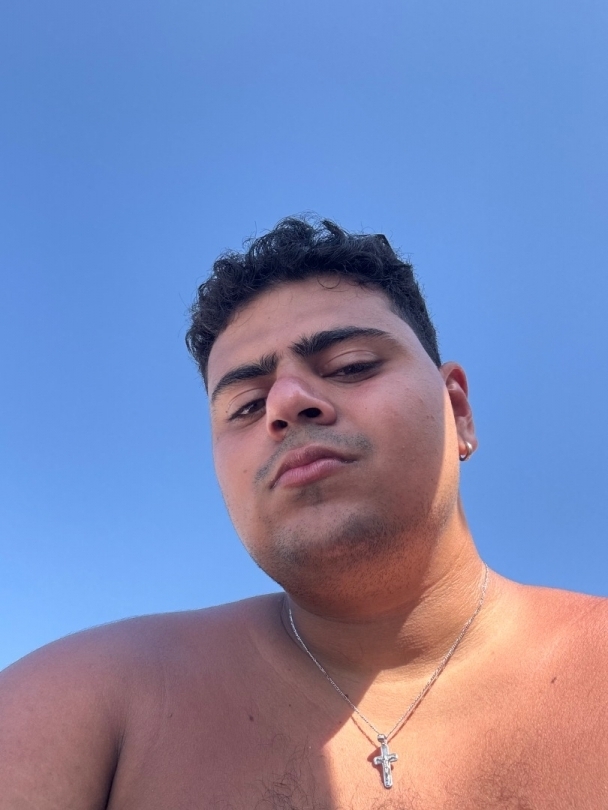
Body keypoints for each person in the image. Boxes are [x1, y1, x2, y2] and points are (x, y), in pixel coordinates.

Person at [1, 217, 606, 810]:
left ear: (458, 410)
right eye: (246, 405)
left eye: (351, 366)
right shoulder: (91, 698)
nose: (286, 403)